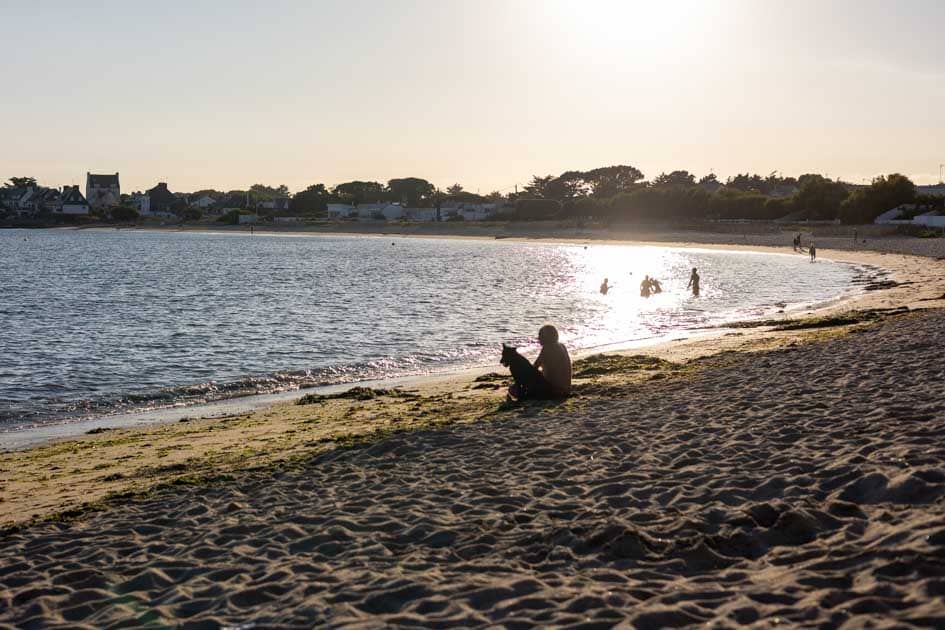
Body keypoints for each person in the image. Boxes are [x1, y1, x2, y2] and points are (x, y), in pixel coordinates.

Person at [506, 324, 572, 400]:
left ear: (546, 337)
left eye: (540, 336)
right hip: (566, 389)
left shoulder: (547, 348)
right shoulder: (562, 346)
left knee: (513, 389)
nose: (538, 338)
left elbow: (533, 368)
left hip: (555, 391)